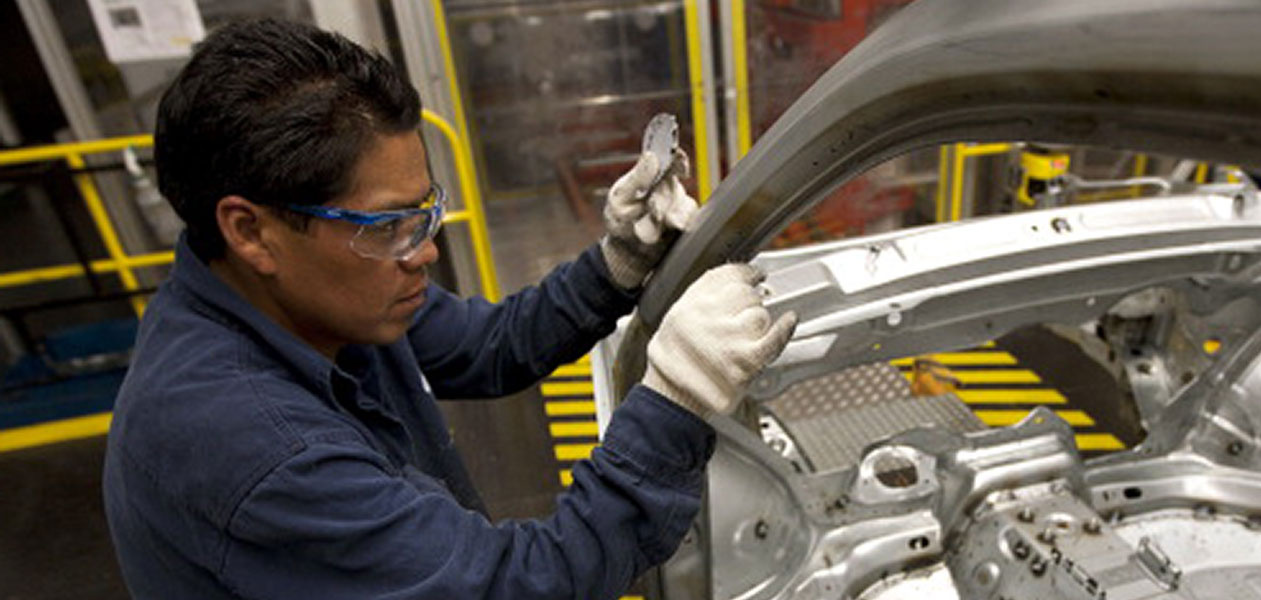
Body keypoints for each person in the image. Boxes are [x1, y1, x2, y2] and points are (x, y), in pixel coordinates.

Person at [101, 18, 795, 599]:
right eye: (388, 227)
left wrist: (617, 266)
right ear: (251, 232)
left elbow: (483, 346)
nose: (424, 252)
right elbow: (521, 584)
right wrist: (677, 397)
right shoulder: (255, 449)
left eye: (424, 213)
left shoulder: (319, 296)